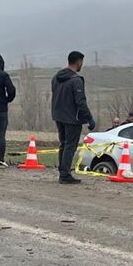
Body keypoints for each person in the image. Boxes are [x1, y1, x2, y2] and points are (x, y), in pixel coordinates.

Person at [50, 51, 95, 185]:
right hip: (72, 118)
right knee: (70, 145)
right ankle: (65, 174)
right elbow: (80, 102)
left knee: (63, 144)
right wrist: (89, 118)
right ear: (79, 62)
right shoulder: (76, 80)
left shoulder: (56, 78)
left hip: (58, 116)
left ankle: (62, 171)